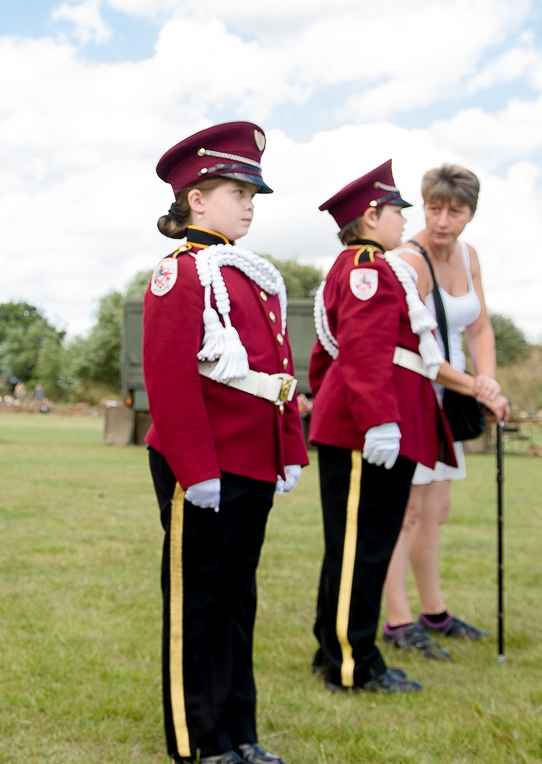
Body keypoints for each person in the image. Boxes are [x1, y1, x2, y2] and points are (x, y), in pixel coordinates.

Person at [143, 122, 308, 764]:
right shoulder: (180, 274)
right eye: (234, 191)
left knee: (239, 602)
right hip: (204, 465)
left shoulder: (252, 276)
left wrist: (288, 450)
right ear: (195, 200)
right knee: (200, 605)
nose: (247, 204)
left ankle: (241, 732)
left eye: (251, 194)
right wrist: (196, 467)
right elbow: (171, 378)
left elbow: (276, 376)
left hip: (253, 463)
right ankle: (199, 742)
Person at [307, 160, 503, 694]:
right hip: (364, 427)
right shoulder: (369, 268)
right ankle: (354, 662)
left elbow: (328, 354)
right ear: (372, 215)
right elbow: (366, 353)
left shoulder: (367, 266)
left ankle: (334, 648)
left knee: (352, 547)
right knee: (363, 548)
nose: (404, 221)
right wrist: (378, 422)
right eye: (398, 210)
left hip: (358, 421)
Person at [381, 164, 508, 658]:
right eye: (433, 208)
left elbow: (479, 327)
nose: (441, 220)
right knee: (405, 512)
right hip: (413, 394)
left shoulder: (469, 256)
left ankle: (434, 611)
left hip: (451, 399)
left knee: (436, 511)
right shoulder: (408, 262)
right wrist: (479, 388)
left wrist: (488, 380)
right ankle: (397, 619)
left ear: (470, 214)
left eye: (454, 211)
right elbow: (418, 352)